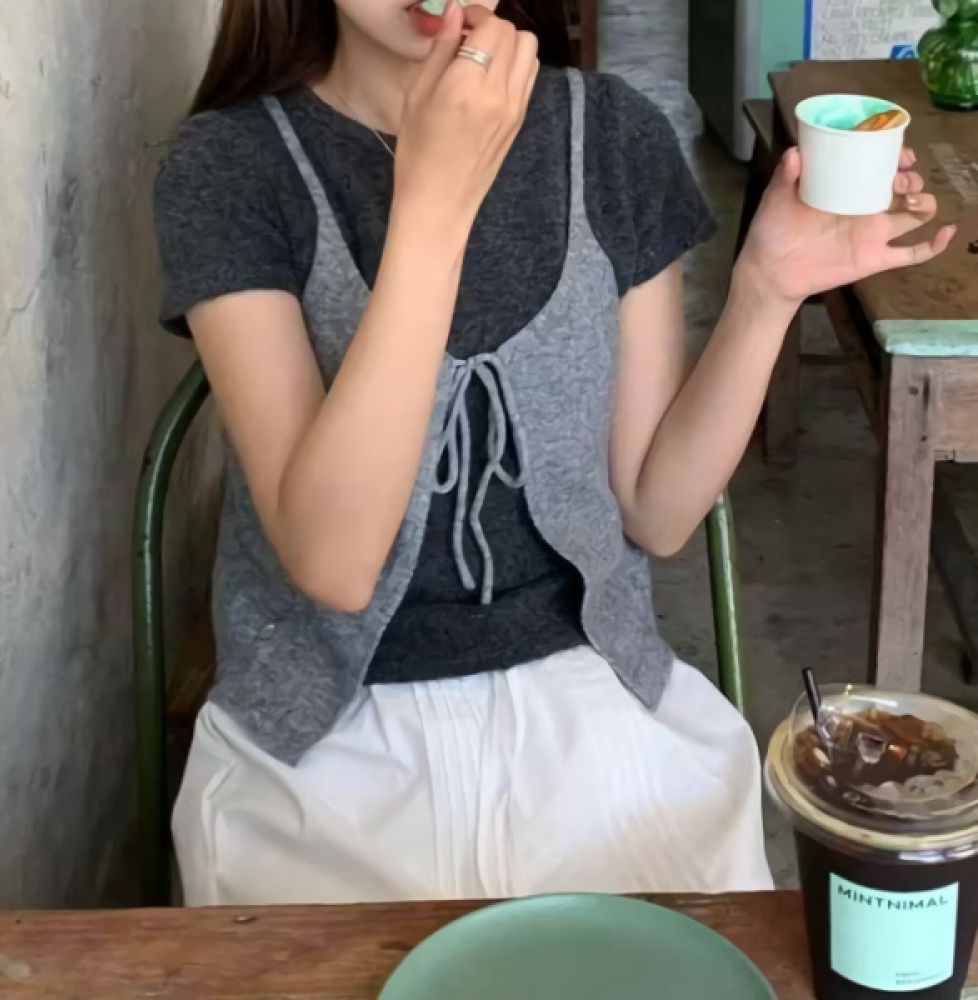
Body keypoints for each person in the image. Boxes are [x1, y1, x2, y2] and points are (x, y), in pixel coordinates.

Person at [153, 0, 954, 907]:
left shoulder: (608, 136)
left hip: (591, 696)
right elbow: (335, 565)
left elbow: (657, 510)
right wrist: (434, 204)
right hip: (322, 734)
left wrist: (766, 289)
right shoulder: (230, 165)